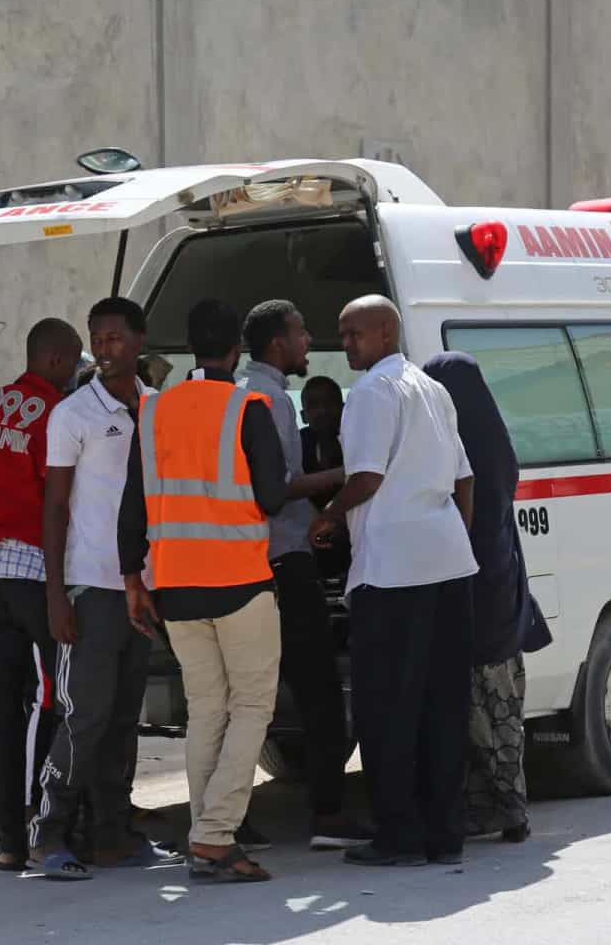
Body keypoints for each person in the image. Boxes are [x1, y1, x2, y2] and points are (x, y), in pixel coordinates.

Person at [118, 298, 288, 883]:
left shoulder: (154, 411)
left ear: (191, 346)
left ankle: (205, 835)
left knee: (207, 709)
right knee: (252, 707)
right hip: (239, 580)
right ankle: (215, 835)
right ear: (237, 349)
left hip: (175, 586)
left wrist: (132, 578)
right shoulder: (248, 407)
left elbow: (132, 505)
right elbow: (271, 497)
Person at [311, 297, 478, 868]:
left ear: (385, 331)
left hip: (392, 573)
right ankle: (443, 832)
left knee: (387, 707)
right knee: (443, 705)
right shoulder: (433, 389)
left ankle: (400, 836)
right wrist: (452, 536)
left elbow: (366, 477)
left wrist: (327, 516)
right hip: (449, 565)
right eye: (342, 335)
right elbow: (465, 479)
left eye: (352, 334)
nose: (345, 345)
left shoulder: (370, 392)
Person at [29, 298, 168, 880]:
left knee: (122, 718)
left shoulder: (159, 408)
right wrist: (56, 594)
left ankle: (112, 834)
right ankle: (48, 833)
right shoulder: (73, 414)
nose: (105, 349)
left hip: (144, 588)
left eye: (115, 338)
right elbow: (55, 506)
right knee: (83, 716)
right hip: (91, 586)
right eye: (98, 339)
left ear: (139, 341)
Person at [239, 302, 368, 852]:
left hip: (248, 562)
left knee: (242, 697)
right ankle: (329, 815)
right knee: (319, 693)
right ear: (277, 344)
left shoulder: (243, 393)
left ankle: (228, 818)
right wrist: (352, 474)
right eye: (300, 333)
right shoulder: (266, 400)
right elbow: (278, 487)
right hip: (284, 562)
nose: (308, 341)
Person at [421, 352, 554, 845]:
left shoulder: (456, 449)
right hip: (501, 590)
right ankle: (505, 809)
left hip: (475, 593)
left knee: (478, 711)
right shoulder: (495, 446)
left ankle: (500, 810)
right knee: (500, 714)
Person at [0, 318, 85, 871]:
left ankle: (9, 841)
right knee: (47, 699)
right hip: (35, 569)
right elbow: (58, 498)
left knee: (3, 700)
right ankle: (40, 821)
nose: (78, 372)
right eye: (76, 361)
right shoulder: (57, 413)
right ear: (56, 359)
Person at [299, 375, 352, 583]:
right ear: (303, 415)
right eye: (314, 405)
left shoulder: (359, 441)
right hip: (310, 549)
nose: (322, 411)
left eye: (330, 403)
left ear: (344, 408)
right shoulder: (298, 444)